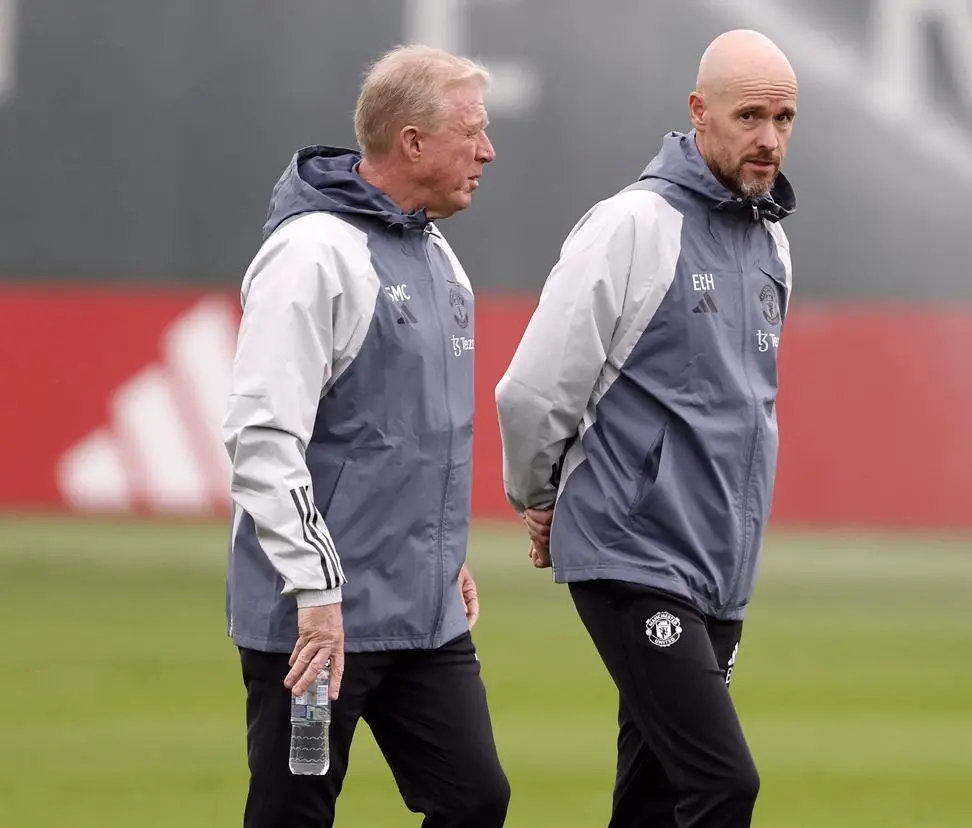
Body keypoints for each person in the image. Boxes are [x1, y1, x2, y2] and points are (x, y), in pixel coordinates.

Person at [494, 28, 798, 828]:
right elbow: (533, 388)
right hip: (635, 556)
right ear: (699, 113)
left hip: (718, 570)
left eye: (785, 118)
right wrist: (539, 495)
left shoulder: (772, 242)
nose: (770, 138)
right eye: (750, 116)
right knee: (724, 784)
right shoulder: (633, 225)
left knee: (656, 800)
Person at [222, 44, 508, 828]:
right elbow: (260, 436)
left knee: (477, 798)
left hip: (424, 614)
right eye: (472, 132)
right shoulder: (312, 255)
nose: (488, 151)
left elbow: (416, 435)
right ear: (412, 141)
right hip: (319, 623)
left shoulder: (439, 256)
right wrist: (316, 592)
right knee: (294, 813)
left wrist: (442, 553)